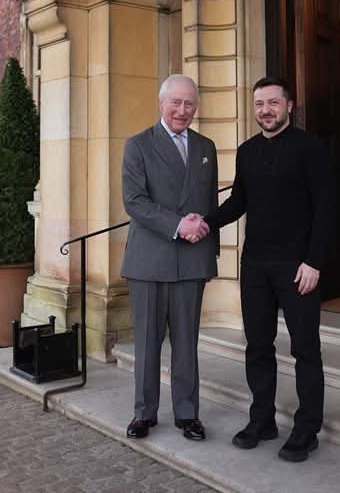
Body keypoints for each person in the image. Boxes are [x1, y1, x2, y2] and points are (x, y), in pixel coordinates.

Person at [201, 76, 330, 463]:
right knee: (257, 346)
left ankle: (307, 428)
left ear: (289, 105)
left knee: (305, 348)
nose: (266, 110)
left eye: (273, 103)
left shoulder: (310, 147)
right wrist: (204, 222)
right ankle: (262, 419)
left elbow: (326, 208)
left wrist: (314, 261)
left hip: (297, 265)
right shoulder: (247, 151)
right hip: (255, 264)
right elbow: (238, 201)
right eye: (259, 104)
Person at [120, 74, 219, 441]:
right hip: (149, 260)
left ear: (196, 106)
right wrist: (178, 225)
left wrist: (209, 256)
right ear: (161, 103)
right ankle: (143, 414)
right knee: (147, 344)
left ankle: (188, 414)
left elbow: (210, 204)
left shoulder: (206, 147)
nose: (182, 110)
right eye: (175, 102)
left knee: (186, 343)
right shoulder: (138, 145)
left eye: (189, 103)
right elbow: (135, 201)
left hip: (193, 261)